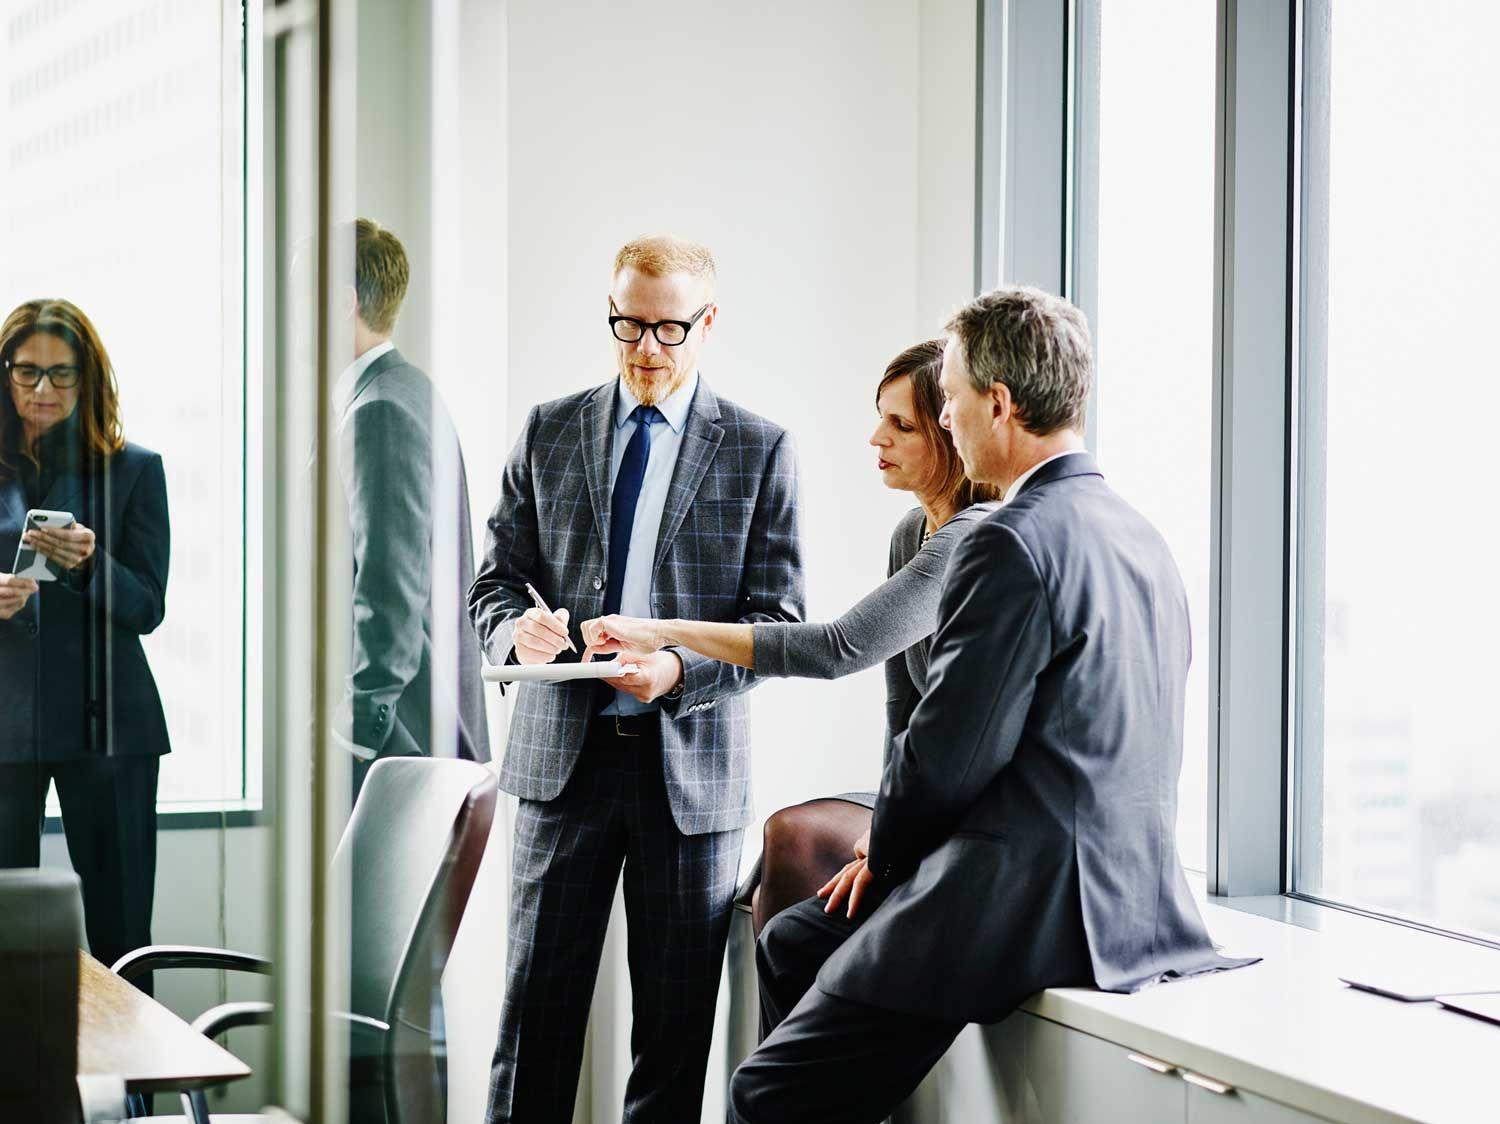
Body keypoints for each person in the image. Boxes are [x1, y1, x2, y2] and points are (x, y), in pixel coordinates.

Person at [727, 287, 1259, 1124]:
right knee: (794, 941)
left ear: (999, 405)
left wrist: (889, 859)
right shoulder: (1137, 533)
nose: (947, 415)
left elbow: (949, 752)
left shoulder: (1011, 538)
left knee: (764, 1093)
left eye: (951, 399)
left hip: (1028, 902)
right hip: (1134, 898)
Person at [468, 234, 805, 1124]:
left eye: (667, 328)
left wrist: (679, 671)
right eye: (627, 325)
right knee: (534, 1022)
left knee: (673, 1034)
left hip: (687, 780)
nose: (646, 347)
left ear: (708, 323)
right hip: (561, 769)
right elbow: (492, 582)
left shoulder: (761, 450)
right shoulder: (549, 428)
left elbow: (777, 624)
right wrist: (518, 629)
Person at [580, 338, 1000, 937]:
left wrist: (664, 632)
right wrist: (888, 830)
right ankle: (791, 1025)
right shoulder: (913, 532)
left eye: (900, 425)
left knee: (794, 838)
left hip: (973, 805)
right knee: (787, 845)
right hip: (918, 789)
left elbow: (838, 649)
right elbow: (901, 710)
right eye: (879, 416)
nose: (876, 438)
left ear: (950, 433)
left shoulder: (974, 537)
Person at [0, 298, 170, 988]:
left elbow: (149, 608)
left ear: (88, 379)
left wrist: (91, 564)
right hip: (6, 725)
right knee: (5, 929)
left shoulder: (135, 469)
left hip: (111, 725)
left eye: (62, 376)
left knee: (123, 932)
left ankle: (135, 1096)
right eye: (27, 372)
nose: (43, 391)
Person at [335, 217, 490, 795]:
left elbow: (389, 590)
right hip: (417, 736)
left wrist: (352, 737)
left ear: (342, 301)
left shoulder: (379, 411)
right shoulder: (411, 390)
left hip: (394, 745)